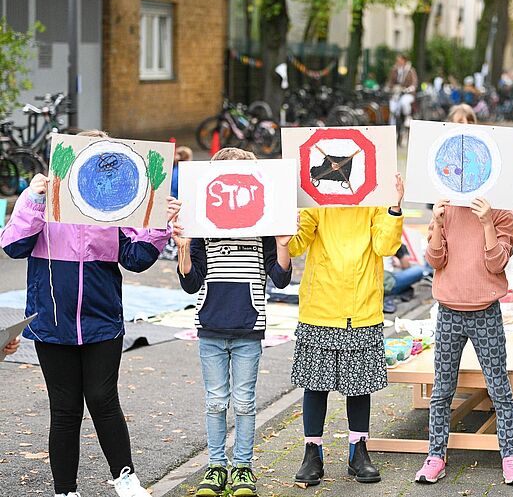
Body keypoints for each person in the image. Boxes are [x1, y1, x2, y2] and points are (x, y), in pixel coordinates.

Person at [0, 130, 180, 497]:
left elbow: (137, 258)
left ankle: (126, 479)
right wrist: (34, 200)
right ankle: (65, 490)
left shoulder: (118, 207)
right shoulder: (43, 199)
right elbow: (14, 246)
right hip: (52, 322)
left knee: (102, 398)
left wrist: (158, 223)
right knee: (64, 409)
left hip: (102, 321)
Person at [173, 148, 293, 497]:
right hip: (210, 325)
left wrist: (283, 245)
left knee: (243, 402)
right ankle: (215, 468)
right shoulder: (202, 228)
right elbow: (190, 282)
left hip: (248, 327)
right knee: (214, 402)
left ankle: (242, 468)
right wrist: (183, 247)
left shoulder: (265, 227)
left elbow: (281, 279)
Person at [289, 176, 405, 486]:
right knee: (314, 385)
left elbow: (385, 245)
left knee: (359, 385)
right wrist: (290, 213)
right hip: (320, 306)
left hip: (362, 307)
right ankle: (312, 450)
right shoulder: (316, 199)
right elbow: (297, 244)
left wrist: (394, 208)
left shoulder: (375, 198)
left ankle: (359, 451)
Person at [414, 198, 513, 485]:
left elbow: (497, 262)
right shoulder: (445, 206)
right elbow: (434, 259)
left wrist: (487, 221)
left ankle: (510, 457)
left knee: (499, 386)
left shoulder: (501, 210)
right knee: (441, 390)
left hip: (485, 311)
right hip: (449, 311)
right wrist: (438, 223)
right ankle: (435, 456)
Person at [386, 54, 418, 145]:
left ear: (404, 60)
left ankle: (407, 116)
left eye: (399, 60)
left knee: (404, 102)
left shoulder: (410, 70)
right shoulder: (394, 70)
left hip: (406, 93)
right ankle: (392, 129)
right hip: (396, 94)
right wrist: (391, 88)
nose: (398, 62)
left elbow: (414, 84)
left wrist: (408, 89)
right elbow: (390, 82)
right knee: (392, 109)